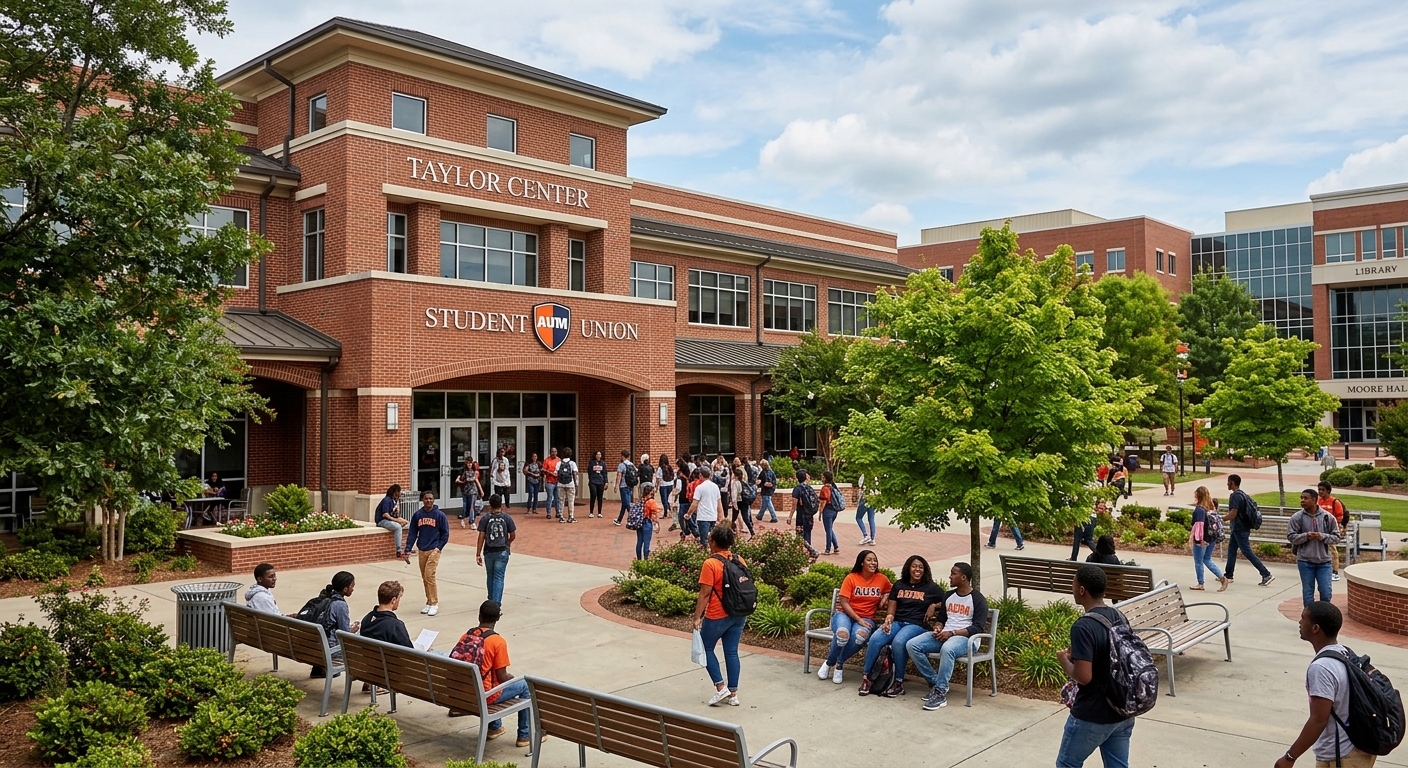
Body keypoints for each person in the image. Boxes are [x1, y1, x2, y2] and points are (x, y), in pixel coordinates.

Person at [1274, 602, 1372, 768]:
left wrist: (1290, 757)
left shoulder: (1321, 668)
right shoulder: (1344, 652)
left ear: (1315, 628)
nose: (1299, 622)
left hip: (1345, 755)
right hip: (1347, 749)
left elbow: (1319, 720)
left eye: (1303, 618)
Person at [1056, 565, 1135, 767]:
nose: (1072, 588)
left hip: (1092, 714)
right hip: (1122, 710)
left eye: (1073, 584)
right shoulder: (1119, 617)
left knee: (1067, 764)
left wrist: (1064, 660)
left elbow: (1084, 676)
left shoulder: (1083, 626)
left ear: (1082, 590)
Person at [450, 600, 535, 748]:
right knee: (524, 686)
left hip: (463, 692)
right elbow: (503, 677)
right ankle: (524, 735)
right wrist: (513, 679)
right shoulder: (497, 641)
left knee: (489, 678)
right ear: (498, 617)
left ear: (479, 615)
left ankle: (495, 727)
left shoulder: (466, 635)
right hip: (483, 696)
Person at [906, 562, 989, 709]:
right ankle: (935, 681)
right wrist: (938, 628)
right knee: (912, 645)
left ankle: (940, 692)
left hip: (967, 640)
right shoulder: (948, 596)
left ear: (963, 577)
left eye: (953, 574)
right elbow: (942, 619)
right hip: (945, 635)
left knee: (948, 648)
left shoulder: (977, 599)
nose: (950, 577)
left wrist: (952, 633)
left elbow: (977, 628)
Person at [861, 555, 944, 697]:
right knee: (876, 638)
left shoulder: (931, 588)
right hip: (897, 622)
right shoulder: (899, 585)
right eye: (914, 566)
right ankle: (867, 678)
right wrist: (888, 619)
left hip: (916, 625)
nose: (917, 569)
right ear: (908, 568)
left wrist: (934, 605)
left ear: (925, 570)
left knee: (899, 641)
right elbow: (892, 608)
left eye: (920, 567)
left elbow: (947, 601)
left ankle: (899, 683)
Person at [817, 550, 892, 685]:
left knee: (860, 636)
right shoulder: (851, 577)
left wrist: (886, 595)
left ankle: (839, 664)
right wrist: (858, 619)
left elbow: (893, 589)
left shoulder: (881, 579)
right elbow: (844, 602)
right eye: (869, 560)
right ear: (861, 562)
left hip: (867, 617)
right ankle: (829, 663)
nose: (873, 563)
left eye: (874, 560)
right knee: (842, 635)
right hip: (844, 614)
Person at [693, 523, 747, 707]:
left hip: (718, 615)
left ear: (714, 542)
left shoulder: (711, 563)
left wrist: (697, 617)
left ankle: (720, 686)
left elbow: (705, 593)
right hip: (739, 613)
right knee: (731, 651)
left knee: (706, 647)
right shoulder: (739, 559)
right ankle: (733, 694)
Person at [1289, 488, 1340, 607]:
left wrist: (1322, 536)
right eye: (1301, 498)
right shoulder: (1297, 517)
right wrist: (1306, 536)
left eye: (1305, 498)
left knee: (1326, 593)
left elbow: (1336, 537)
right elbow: (1291, 537)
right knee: (1308, 594)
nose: (1302, 501)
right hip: (1305, 561)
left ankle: (1323, 617)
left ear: (1314, 500)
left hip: (1324, 562)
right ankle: (1309, 619)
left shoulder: (1328, 517)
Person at [1224, 474, 1275, 587]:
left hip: (1239, 528)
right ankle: (1228, 575)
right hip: (1240, 527)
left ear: (1232, 482)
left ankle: (1266, 574)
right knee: (1232, 550)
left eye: (1228, 482)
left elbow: (1233, 513)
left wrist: (1220, 518)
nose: (1227, 484)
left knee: (1247, 551)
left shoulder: (1235, 496)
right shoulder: (1242, 494)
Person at [408, 489, 450, 616]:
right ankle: (428, 602)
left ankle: (434, 603)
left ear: (434, 500)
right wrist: (407, 548)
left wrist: (439, 547)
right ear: (422, 500)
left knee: (429, 576)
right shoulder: (417, 515)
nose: (428, 501)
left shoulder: (439, 515)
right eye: (426, 498)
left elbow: (445, 533)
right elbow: (412, 533)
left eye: (431, 498)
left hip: (434, 549)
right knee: (424, 577)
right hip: (422, 549)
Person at [309, 571, 359, 679]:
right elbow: (345, 634)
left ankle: (318, 669)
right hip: (330, 651)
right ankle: (358, 674)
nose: (353, 589)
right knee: (362, 635)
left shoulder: (325, 598)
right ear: (345, 589)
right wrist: (353, 630)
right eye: (352, 586)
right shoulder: (340, 605)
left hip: (315, 646)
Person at [476, 494, 517, 605]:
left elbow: (481, 536)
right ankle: (496, 603)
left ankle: (490, 600)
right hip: (502, 551)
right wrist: (508, 543)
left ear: (490, 505)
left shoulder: (485, 518)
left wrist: (478, 553)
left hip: (489, 551)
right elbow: (513, 534)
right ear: (501, 504)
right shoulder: (506, 518)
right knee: (499, 577)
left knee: (490, 575)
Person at [1190, 486, 1229, 592]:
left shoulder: (1199, 510)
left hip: (1202, 540)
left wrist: (1198, 540)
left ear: (1198, 495)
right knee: (1207, 559)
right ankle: (1222, 578)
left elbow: (1199, 525)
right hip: (1211, 538)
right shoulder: (1210, 508)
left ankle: (1200, 583)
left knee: (1198, 561)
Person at [360, 580, 412, 648]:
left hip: (368, 657)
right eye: (399, 598)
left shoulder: (367, 619)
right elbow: (409, 652)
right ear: (393, 600)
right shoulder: (395, 625)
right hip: (386, 658)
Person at [1317, 481, 1347, 582]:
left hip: (1331, 530)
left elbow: (1340, 516)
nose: (1320, 492)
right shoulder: (1318, 501)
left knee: (1332, 550)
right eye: (1319, 490)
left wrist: (1334, 527)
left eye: (1323, 490)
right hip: (1320, 529)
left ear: (1328, 491)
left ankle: (1335, 572)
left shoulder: (1334, 502)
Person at [374, 484, 411, 562]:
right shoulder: (386, 500)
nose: (400, 494)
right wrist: (397, 521)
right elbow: (385, 514)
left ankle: (408, 548)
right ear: (395, 492)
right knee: (397, 527)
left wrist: (404, 521)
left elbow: (396, 516)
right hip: (382, 520)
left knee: (409, 524)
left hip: (390, 520)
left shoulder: (395, 501)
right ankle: (399, 550)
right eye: (399, 492)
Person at [688, 463, 723, 546]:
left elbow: (694, 503)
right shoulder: (715, 487)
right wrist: (720, 517)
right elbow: (719, 503)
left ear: (700, 475)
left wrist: (688, 514)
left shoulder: (700, 488)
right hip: (713, 517)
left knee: (704, 541)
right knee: (712, 540)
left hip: (703, 517)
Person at [789, 469, 820, 557]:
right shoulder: (809, 488)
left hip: (801, 514)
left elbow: (794, 505)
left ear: (797, 478)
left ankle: (805, 553)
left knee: (800, 535)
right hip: (809, 515)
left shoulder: (797, 489)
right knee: (807, 533)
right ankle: (808, 552)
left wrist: (790, 517)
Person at [728, 459, 755, 538]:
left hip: (738, 502)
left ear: (736, 475)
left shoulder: (735, 483)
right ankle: (752, 532)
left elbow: (734, 495)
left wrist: (734, 504)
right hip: (745, 501)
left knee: (734, 518)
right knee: (746, 518)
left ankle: (732, 532)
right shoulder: (743, 482)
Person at [818, 470, 843, 555]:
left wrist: (820, 512)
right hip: (834, 510)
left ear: (825, 478)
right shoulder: (833, 487)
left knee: (828, 530)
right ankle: (836, 547)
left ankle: (828, 549)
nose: (821, 478)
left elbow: (823, 501)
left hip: (828, 510)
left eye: (822, 477)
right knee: (830, 529)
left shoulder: (825, 488)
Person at [634, 482, 660, 561]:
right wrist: (657, 524)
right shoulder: (651, 501)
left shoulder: (640, 500)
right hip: (647, 523)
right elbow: (654, 514)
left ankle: (639, 559)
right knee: (646, 543)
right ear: (651, 492)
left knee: (639, 542)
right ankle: (646, 559)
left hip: (640, 522)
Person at [456, 457, 484, 528]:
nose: (469, 464)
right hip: (465, 491)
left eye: (470, 463)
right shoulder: (463, 471)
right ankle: (463, 517)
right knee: (465, 506)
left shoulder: (474, 471)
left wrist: (481, 490)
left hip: (473, 490)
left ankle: (472, 522)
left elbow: (476, 480)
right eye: (468, 463)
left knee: (472, 506)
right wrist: (463, 482)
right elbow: (457, 480)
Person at [557, 448, 579, 523]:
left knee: (561, 500)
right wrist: (576, 483)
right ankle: (571, 517)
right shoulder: (572, 463)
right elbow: (575, 473)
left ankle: (561, 516)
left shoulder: (559, 463)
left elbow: (556, 473)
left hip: (560, 484)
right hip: (570, 484)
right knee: (571, 501)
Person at [855, 474, 877, 546]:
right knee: (871, 519)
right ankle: (872, 538)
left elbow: (860, 486)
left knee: (858, 517)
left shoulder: (863, 476)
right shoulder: (876, 477)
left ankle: (865, 535)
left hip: (865, 498)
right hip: (873, 498)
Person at [614, 449, 635, 526]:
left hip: (623, 486)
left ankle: (634, 519)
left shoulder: (621, 465)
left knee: (627, 504)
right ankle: (619, 520)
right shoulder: (631, 464)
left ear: (622, 456)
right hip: (630, 485)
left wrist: (616, 486)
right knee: (624, 503)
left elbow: (619, 476)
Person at [755, 459, 779, 523]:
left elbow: (772, 482)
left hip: (767, 490)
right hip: (767, 489)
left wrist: (766, 484)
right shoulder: (770, 472)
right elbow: (759, 480)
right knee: (764, 504)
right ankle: (759, 515)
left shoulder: (766, 472)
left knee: (768, 503)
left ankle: (774, 517)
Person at [542, 447, 561, 521]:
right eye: (552, 451)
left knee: (557, 498)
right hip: (549, 482)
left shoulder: (559, 460)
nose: (554, 453)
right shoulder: (547, 460)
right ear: (550, 452)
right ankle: (549, 513)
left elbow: (561, 470)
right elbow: (543, 470)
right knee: (550, 498)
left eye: (555, 451)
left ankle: (558, 512)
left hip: (557, 482)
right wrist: (551, 473)